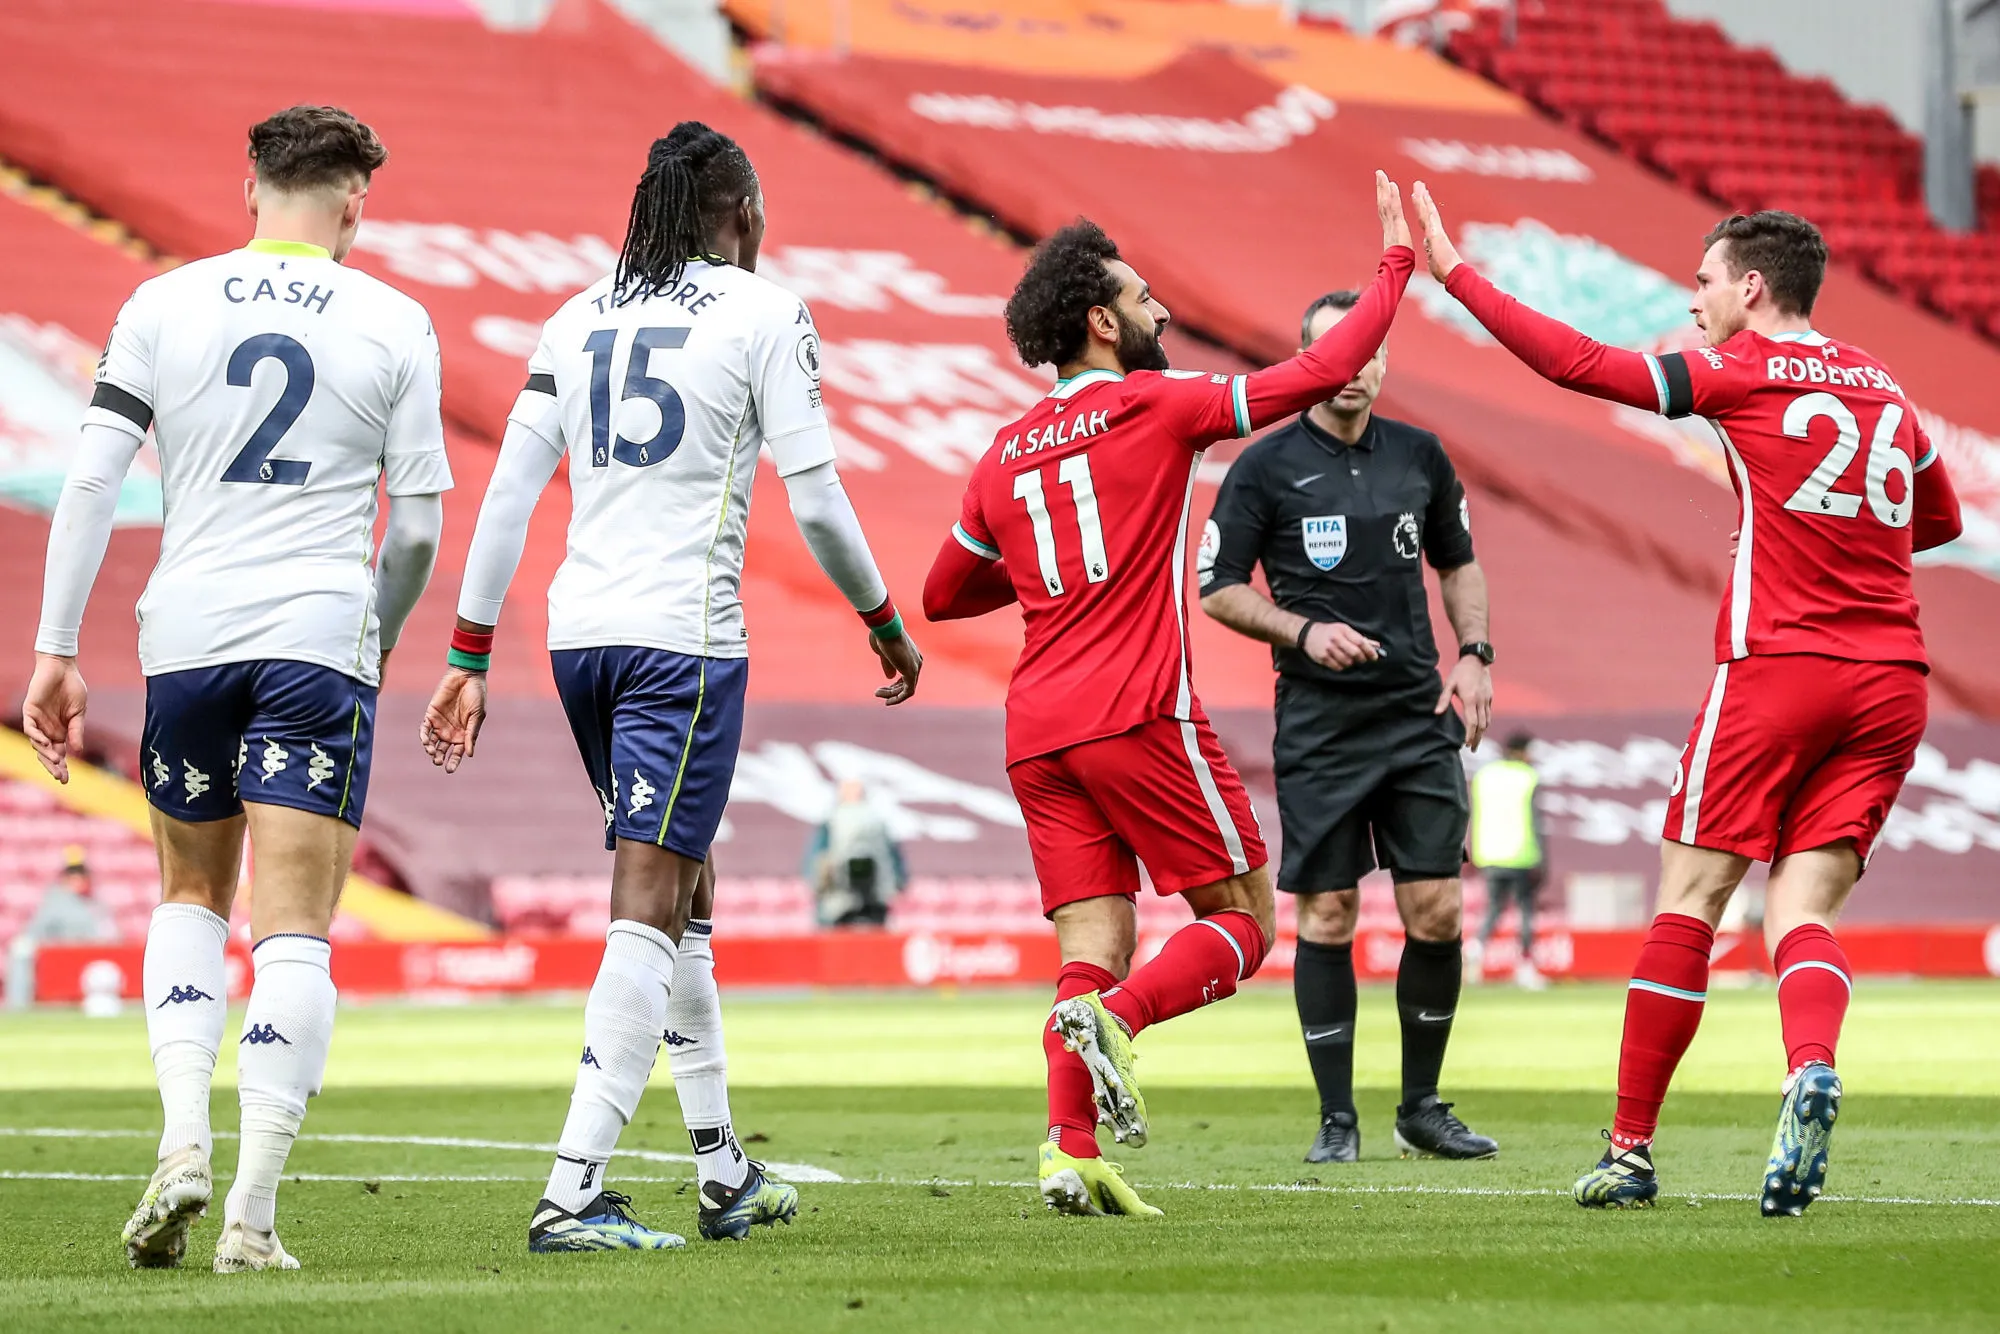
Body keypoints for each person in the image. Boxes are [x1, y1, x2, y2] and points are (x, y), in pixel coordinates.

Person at [419, 121, 923, 1251]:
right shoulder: (762, 310)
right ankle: (571, 1189)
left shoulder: (576, 314)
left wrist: (465, 654)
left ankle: (721, 1167)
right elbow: (819, 494)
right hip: (680, 644)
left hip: (575, 639)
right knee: (649, 899)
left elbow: (507, 492)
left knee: (687, 885)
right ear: (740, 213)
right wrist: (884, 622)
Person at [1413, 185, 1964, 1214]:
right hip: (1891, 680)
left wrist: (1455, 276)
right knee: (1799, 909)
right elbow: (1930, 517)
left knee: (1691, 897)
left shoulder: (1738, 370)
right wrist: (1817, 525)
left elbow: (1580, 365)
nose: (1690, 295)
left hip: (1777, 666)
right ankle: (1807, 1063)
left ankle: (1628, 1150)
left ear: (1750, 288)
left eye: (1702, 279)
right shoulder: (1882, 386)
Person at [924, 171, 1417, 1217]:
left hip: (1034, 731)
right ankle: (1120, 1024)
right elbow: (1323, 367)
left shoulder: (1000, 452)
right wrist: (1395, 265)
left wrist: (1045, 566)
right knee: (1240, 920)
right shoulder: (1158, 403)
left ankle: (1068, 1149)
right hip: (1135, 710)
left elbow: (940, 591)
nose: (1162, 312)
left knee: (1089, 950)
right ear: (1101, 320)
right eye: (1144, 298)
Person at [23, 105, 450, 1271]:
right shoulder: (395, 318)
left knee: (189, 897)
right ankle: (252, 1217)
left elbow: (93, 479)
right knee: (296, 926)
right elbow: (415, 527)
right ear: (354, 196)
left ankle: (179, 1143)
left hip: (189, 633)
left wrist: (57, 645)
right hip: (316, 634)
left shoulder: (162, 301)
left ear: (249, 184)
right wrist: (377, 629)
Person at [1199, 287, 1498, 1166]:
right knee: (1327, 912)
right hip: (1321, 725)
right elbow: (1218, 588)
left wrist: (1475, 653)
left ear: (1383, 361)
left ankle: (1422, 1106)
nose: (1354, 369)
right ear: (1306, 362)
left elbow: (1460, 564)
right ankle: (1337, 1118)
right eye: (1335, 353)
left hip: (1414, 716)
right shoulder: (1263, 465)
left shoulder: (1421, 456)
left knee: (1435, 907)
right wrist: (1301, 630)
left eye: (1368, 352)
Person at [1469, 731, 1548, 991]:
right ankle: (1525, 967)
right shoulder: (1527, 777)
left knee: (1494, 908)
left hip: (1489, 853)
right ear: (1521, 750)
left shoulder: (1484, 776)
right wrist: (1543, 858)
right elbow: (1535, 821)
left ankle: (1476, 949)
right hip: (1521, 853)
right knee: (1525, 911)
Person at [6, 846, 119, 1009]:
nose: (78, 879)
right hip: (58, 959)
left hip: (87, 960)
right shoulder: (53, 902)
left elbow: (109, 935)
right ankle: (18, 1007)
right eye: (73, 874)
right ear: (65, 877)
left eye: (81, 875)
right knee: (21, 950)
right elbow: (33, 934)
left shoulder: (95, 904)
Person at [806, 779, 907, 927]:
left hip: (838, 901)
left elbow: (817, 860)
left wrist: (818, 889)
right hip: (876, 899)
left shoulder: (832, 820)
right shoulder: (878, 821)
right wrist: (897, 885)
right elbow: (895, 860)